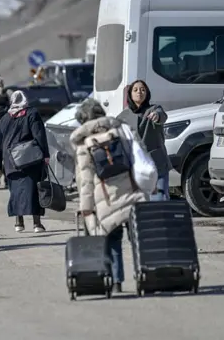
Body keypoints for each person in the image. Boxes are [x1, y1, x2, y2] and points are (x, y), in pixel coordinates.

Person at [70, 98, 154, 293]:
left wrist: (86, 208)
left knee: (113, 239)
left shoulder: (85, 144)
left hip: (106, 200)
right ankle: (147, 275)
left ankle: (116, 281)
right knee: (139, 240)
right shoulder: (122, 131)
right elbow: (139, 156)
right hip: (133, 193)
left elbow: (86, 182)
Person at [0, 90, 49, 233]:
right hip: (30, 159)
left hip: (11, 161)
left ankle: (19, 223)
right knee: (34, 190)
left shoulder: (5, 118)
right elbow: (39, 135)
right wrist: (45, 154)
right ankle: (37, 224)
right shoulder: (32, 114)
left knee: (15, 192)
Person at [121, 79, 171, 201]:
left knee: (159, 199)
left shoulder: (154, 109)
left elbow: (162, 116)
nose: (139, 92)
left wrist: (157, 116)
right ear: (130, 94)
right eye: (136, 90)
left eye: (143, 90)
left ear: (147, 94)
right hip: (135, 167)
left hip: (156, 164)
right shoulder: (124, 116)